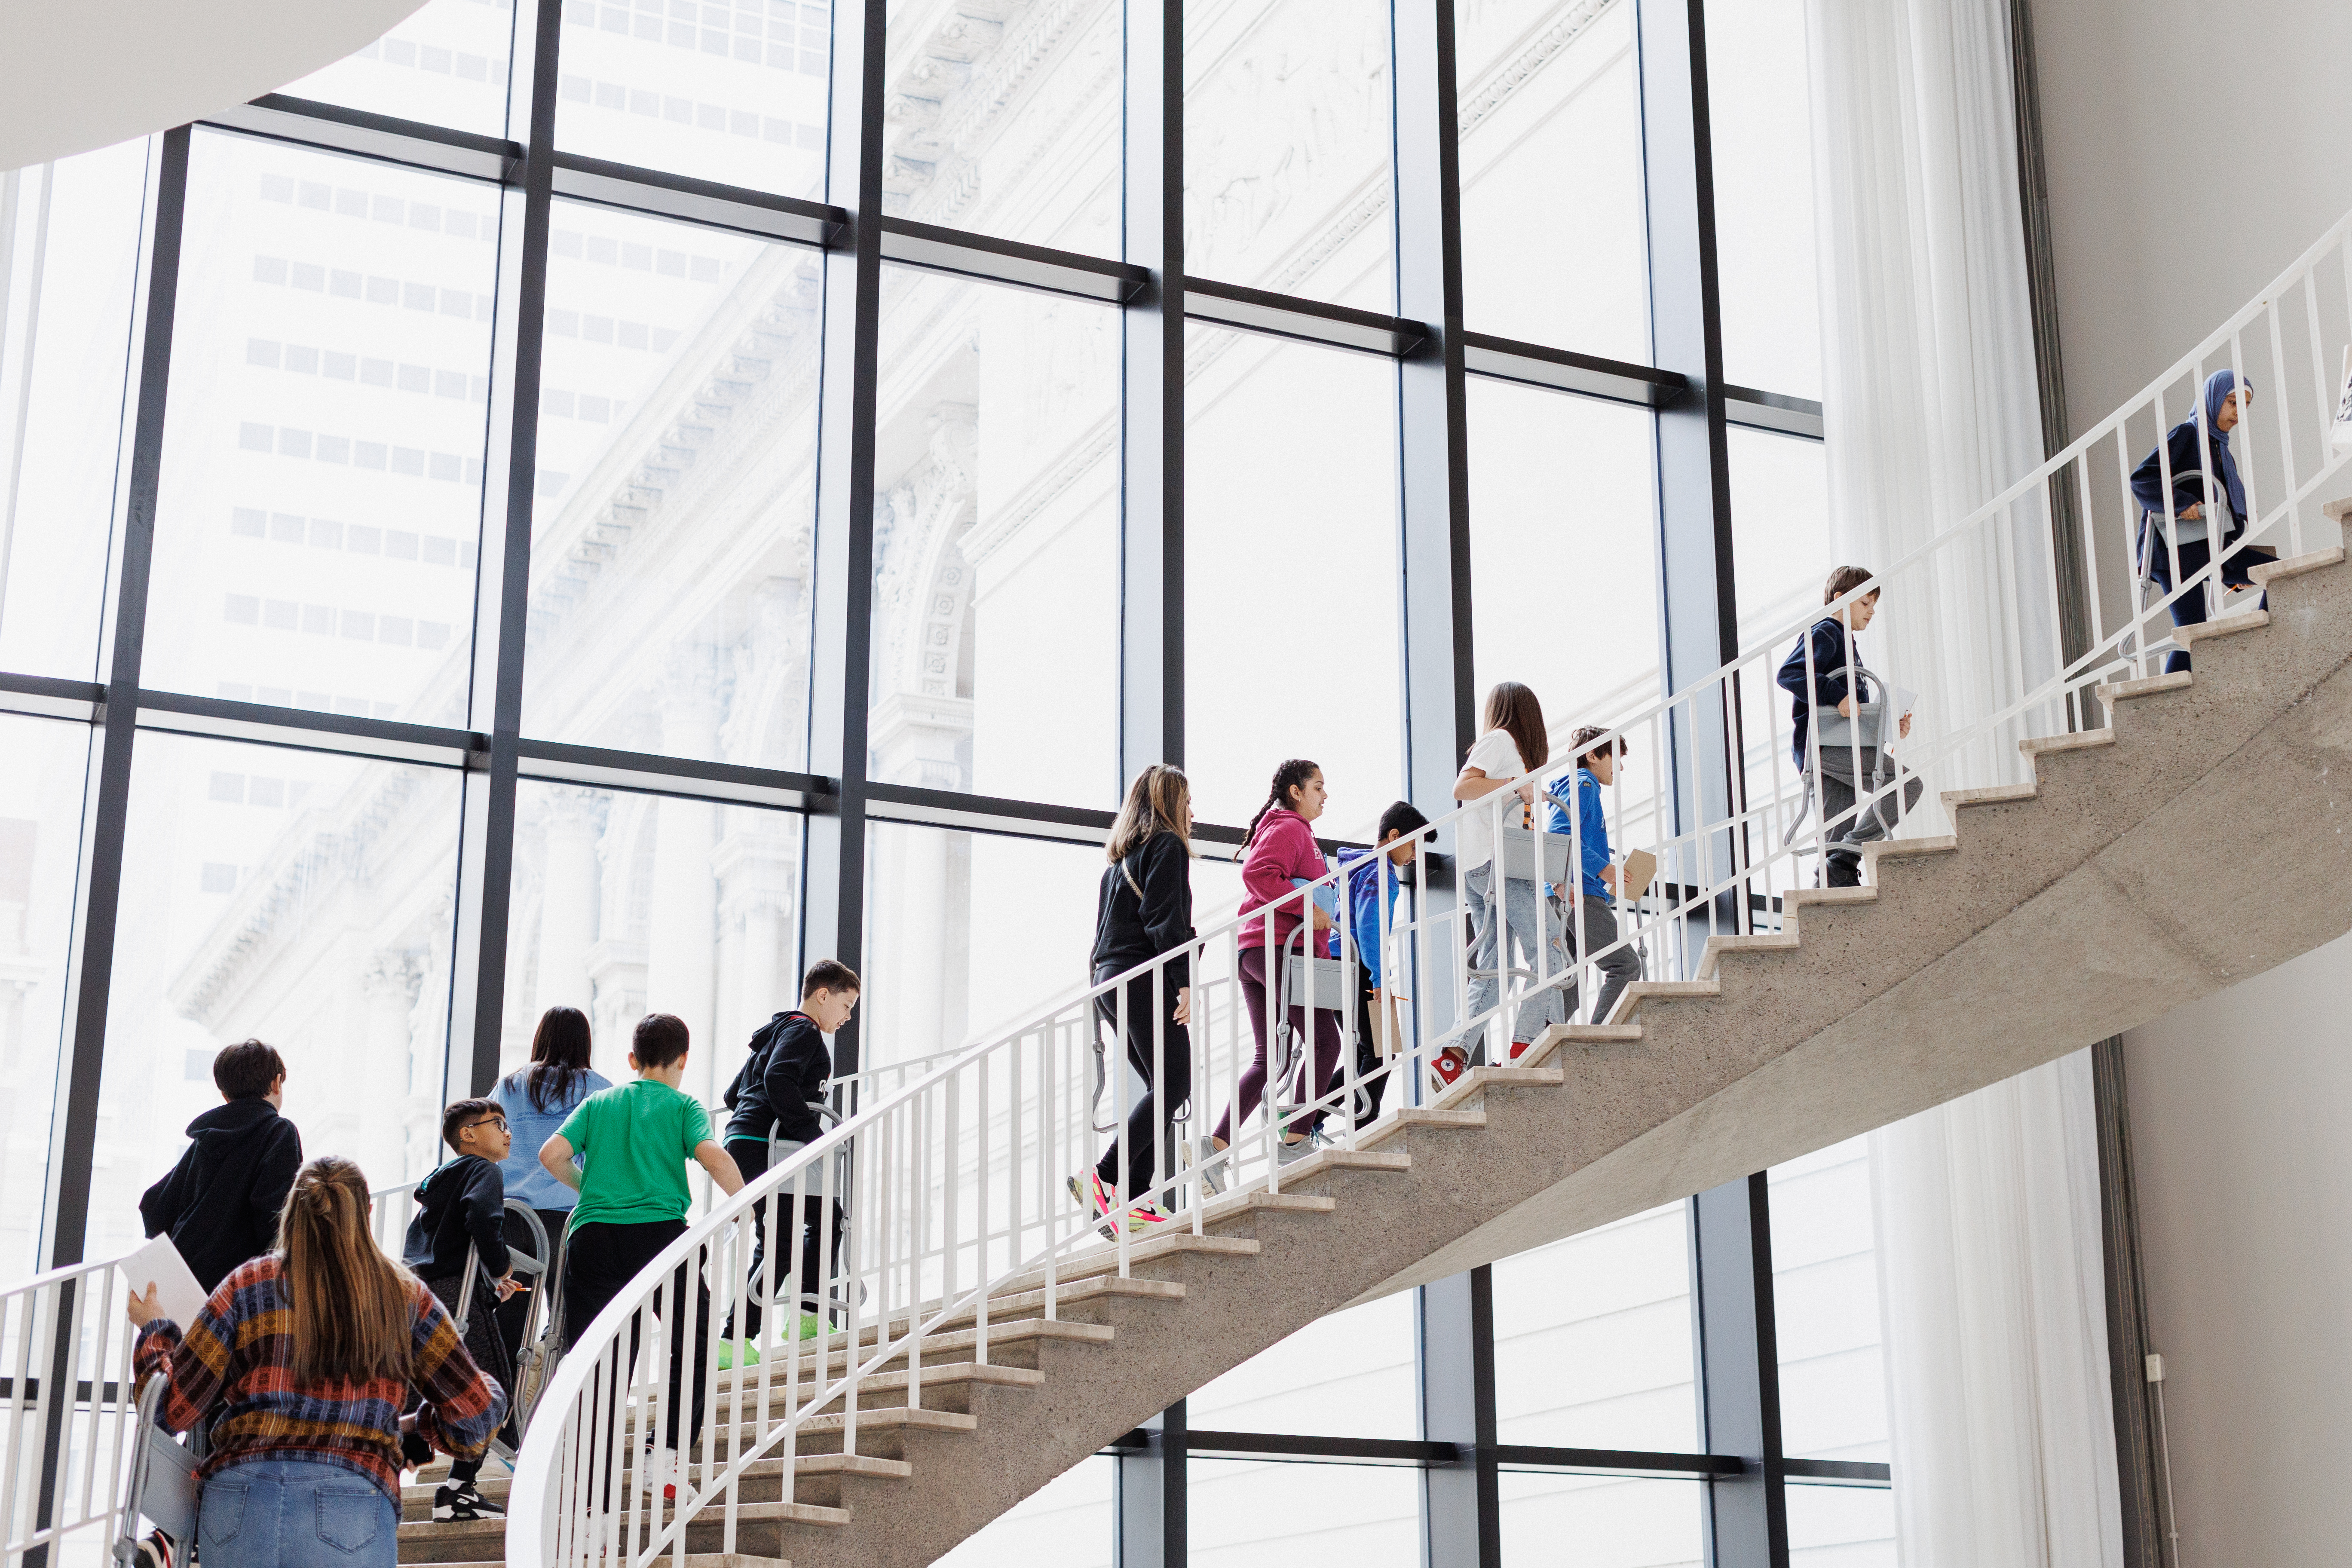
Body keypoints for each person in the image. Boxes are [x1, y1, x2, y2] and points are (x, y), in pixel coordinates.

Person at [127, 1157, 505, 1568]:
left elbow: (172, 1408)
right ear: (367, 1214)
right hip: (353, 1504)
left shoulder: (246, 1285)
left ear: (291, 1213)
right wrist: (420, 1425)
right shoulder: (404, 1296)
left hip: (239, 1502)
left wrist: (154, 1330)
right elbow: (476, 1416)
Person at [538, 1013, 744, 1499]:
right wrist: (745, 1206)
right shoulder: (683, 1106)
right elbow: (714, 1155)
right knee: (692, 1338)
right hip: (659, 1237)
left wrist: (592, 1189)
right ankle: (664, 1456)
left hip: (593, 1238)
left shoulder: (600, 1102)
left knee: (599, 1359)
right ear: (683, 1060)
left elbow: (551, 1155)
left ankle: (592, 1492)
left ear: (633, 1060)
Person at [714, 960, 860, 1363]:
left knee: (795, 1231)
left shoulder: (777, 1030)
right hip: (766, 1145)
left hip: (748, 1141)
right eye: (846, 1006)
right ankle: (795, 1321)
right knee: (815, 1223)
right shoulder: (804, 1030)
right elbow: (778, 1078)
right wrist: (813, 1136)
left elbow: (733, 1096)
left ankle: (746, 1337)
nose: (848, 1017)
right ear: (823, 995)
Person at [1072, 765, 1197, 1225]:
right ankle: (1105, 1175)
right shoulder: (1167, 846)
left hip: (1109, 980)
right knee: (1176, 1082)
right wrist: (1184, 980)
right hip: (1142, 975)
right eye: (1186, 800)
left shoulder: (1118, 865)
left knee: (1161, 1086)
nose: (1192, 811)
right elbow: (1164, 919)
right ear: (1170, 803)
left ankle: (1137, 1193)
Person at [1211, 760, 1348, 1167]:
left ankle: (1215, 1148)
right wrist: (1308, 905)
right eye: (1319, 788)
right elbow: (1258, 873)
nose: (1325, 796)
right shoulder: (1291, 828)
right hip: (1279, 950)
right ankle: (1295, 1141)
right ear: (1296, 792)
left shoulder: (1285, 827)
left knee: (1269, 1056)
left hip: (1257, 951)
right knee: (1327, 1043)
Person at [401, 1098, 524, 1521]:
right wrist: (502, 1266)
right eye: (499, 1124)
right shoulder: (483, 1170)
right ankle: (459, 1490)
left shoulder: (437, 1186)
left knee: (425, 1387)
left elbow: (442, 1246)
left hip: (418, 1295)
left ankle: (393, 1461)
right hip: (455, 1293)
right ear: (468, 1134)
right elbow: (483, 1217)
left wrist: (490, 1290)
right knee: (492, 1388)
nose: (508, 1132)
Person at [1776, 567, 1923, 888]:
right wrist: (1837, 694)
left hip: (1838, 744)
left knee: (1832, 847)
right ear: (1840, 599)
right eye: (1865, 604)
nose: (1871, 613)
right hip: (1828, 746)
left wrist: (1888, 727)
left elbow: (1852, 711)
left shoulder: (1846, 643)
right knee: (1907, 785)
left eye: (1874, 606)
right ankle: (1847, 857)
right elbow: (1789, 674)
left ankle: (1835, 872)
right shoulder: (1826, 631)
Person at [1450, 683, 1566, 1073]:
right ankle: (1528, 1043)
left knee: (1496, 966)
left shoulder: (1508, 751)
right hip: (1502, 867)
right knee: (1550, 948)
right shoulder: (1501, 740)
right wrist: (1515, 787)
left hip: (1487, 866)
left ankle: (1453, 1055)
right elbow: (1463, 786)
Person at [491, 1006, 610, 1372]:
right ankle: (553, 1400)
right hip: (567, 1220)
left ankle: (507, 1417)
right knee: (567, 1321)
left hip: (512, 1219)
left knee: (509, 1320)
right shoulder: (600, 1089)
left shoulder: (510, 1085)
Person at [2131, 369, 2274, 673]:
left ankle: (2259, 646)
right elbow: (2142, 480)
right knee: (2194, 635)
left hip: (2210, 549)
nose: (2239, 413)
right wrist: (2182, 504)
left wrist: (2234, 572)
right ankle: (2163, 705)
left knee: (2279, 576)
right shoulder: (2188, 434)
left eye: (2245, 406)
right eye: (2233, 402)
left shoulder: (2220, 449)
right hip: (2175, 553)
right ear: (2213, 399)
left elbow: (2224, 509)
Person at [139, 1039, 303, 1293]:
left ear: (225, 1094)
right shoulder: (278, 1132)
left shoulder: (206, 1139)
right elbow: (276, 1219)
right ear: (276, 1083)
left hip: (186, 1285)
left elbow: (154, 1207)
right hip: (237, 1291)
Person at [1544, 729, 1644, 1032]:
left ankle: (1532, 1040)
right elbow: (1560, 835)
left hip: (1566, 891)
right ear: (1593, 755)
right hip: (1579, 893)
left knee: (1573, 979)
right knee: (1625, 965)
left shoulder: (1574, 787)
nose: (1621, 768)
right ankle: (1597, 1036)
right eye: (1616, 757)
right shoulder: (1584, 783)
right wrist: (1603, 869)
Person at [1334, 800, 1427, 1122]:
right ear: (1394, 835)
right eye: (1413, 845)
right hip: (1360, 964)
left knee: (1369, 1052)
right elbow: (1370, 927)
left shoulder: (1357, 866)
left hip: (1337, 962)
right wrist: (1380, 982)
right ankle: (1361, 1131)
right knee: (1385, 1050)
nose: (1414, 855)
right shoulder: (1379, 872)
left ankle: (1302, 1120)